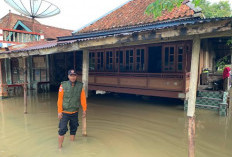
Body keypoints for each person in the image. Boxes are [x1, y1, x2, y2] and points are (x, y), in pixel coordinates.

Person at [57, 69, 87, 149]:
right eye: (71, 75)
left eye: (74, 75)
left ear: (76, 76)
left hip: (75, 112)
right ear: (68, 76)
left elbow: (83, 98)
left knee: (73, 128)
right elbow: (60, 99)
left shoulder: (80, 86)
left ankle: (72, 144)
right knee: (62, 129)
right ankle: (60, 148)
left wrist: (84, 109)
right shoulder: (63, 85)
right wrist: (59, 112)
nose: (73, 77)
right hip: (65, 112)